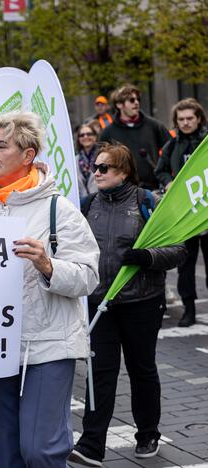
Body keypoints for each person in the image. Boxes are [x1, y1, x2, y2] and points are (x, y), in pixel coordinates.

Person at [0, 112, 100, 467]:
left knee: (41, 450)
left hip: (48, 345)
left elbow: (88, 276)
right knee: (5, 456)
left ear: (27, 154)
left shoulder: (60, 209)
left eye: (1, 146)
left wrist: (48, 265)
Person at [70, 144, 187, 466]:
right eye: (95, 166)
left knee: (142, 369)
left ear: (123, 171)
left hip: (142, 303)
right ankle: (91, 444)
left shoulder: (147, 202)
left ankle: (148, 432)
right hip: (100, 303)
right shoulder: (87, 205)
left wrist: (147, 257)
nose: (96, 172)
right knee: (100, 374)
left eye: (104, 168)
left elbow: (179, 248)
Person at [155, 98, 208, 327]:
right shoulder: (172, 145)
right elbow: (161, 170)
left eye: (190, 118)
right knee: (185, 266)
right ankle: (189, 309)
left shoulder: (205, 142)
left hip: (205, 213)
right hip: (184, 215)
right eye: (181, 119)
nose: (186, 123)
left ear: (199, 119)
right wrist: (168, 183)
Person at [100, 84, 171, 190]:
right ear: (119, 104)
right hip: (122, 190)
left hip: (154, 189)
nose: (136, 102)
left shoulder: (155, 126)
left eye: (138, 99)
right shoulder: (108, 132)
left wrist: (166, 178)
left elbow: (171, 151)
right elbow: (101, 162)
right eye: (131, 100)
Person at [76, 124, 100, 198]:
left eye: (89, 134)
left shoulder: (103, 157)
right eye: (82, 135)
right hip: (83, 205)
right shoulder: (75, 160)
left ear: (95, 137)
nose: (85, 137)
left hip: (101, 201)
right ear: (79, 139)